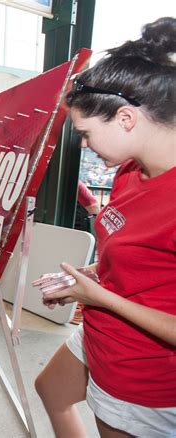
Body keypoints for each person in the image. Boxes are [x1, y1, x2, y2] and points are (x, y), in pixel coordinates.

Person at [34, 17, 176, 438]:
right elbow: (140, 260)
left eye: (85, 133)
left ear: (126, 119)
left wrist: (100, 297)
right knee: (51, 390)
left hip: (140, 370)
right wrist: (86, 279)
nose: (84, 146)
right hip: (101, 332)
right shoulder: (129, 171)